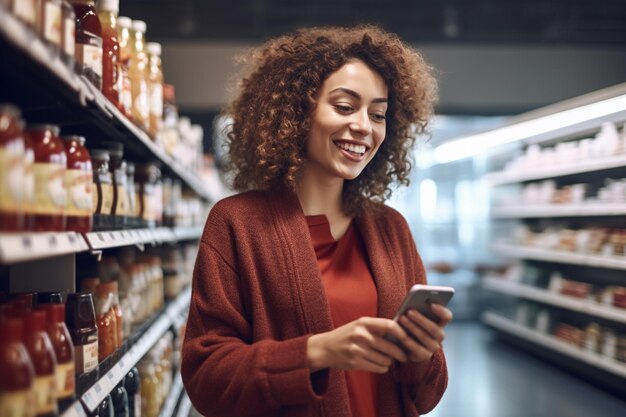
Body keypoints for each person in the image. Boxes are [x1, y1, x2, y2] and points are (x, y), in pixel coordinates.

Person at [181, 25, 453, 417]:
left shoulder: (391, 228)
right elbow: (206, 379)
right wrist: (317, 351)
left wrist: (421, 353)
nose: (364, 125)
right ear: (296, 111)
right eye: (344, 107)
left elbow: (427, 397)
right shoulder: (237, 223)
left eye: (378, 114)